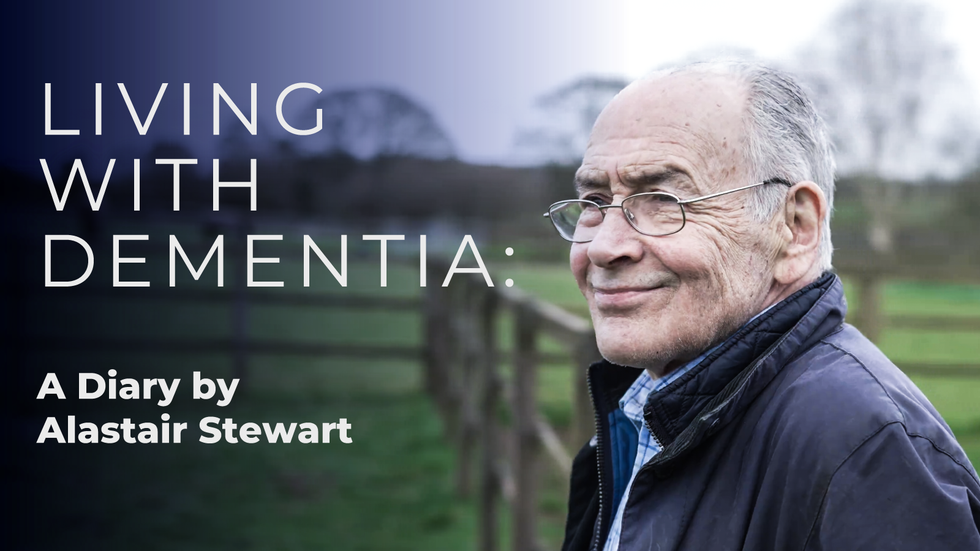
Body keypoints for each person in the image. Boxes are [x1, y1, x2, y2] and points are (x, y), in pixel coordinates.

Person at [545, 60, 980, 551]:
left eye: (664, 200)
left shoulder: (868, 454)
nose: (604, 246)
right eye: (594, 203)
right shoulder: (646, 411)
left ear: (794, 228)